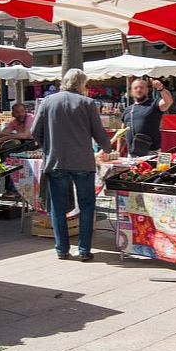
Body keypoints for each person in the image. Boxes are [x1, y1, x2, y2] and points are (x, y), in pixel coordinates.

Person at [31, 69, 112, 261]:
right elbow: (98, 132)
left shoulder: (48, 101)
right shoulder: (88, 103)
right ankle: (84, 250)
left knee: (58, 207)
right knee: (87, 205)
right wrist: (107, 147)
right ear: (81, 84)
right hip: (82, 162)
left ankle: (62, 249)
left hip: (56, 160)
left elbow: (35, 130)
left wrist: (47, 146)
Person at [122, 78, 173, 156]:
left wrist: (161, 88)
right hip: (132, 155)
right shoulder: (127, 110)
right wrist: (118, 151)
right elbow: (122, 133)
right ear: (131, 91)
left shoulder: (154, 104)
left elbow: (168, 102)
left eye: (141, 87)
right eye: (135, 88)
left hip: (151, 153)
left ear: (147, 90)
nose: (139, 90)